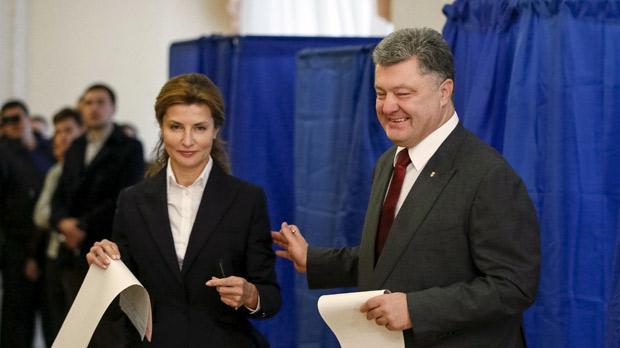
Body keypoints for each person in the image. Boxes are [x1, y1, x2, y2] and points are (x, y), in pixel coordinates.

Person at [272, 28, 540, 347]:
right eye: (381, 93)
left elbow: (514, 285)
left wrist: (416, 309)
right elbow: (397, 256)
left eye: (403, 93)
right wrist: (315, 261)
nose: (387, 107)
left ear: (444, 91)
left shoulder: (487, 174)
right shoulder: (389, 162)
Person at [86, 73, 281, 347]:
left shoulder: (247, 199)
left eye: (199, 128)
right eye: (176, 127)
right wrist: (104, 267)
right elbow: (120, 303)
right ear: (161, 127)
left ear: (215, 130)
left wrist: (250, 295)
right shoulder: (133, 200)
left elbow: (270, 296)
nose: (187, 140)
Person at [51, 83, 144, 346]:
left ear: (112, 108)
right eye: (88, 102)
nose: (94, 108)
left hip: (108, 250)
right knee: (78, 330)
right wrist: (62, 222)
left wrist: (81, 224)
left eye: (100, 102)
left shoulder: (129, 147)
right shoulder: (76, 147)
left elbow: (123, 197)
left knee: (108, 330)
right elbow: (60, 195)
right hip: (73, 249)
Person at [0, 99, 54, 347]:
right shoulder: (4, 152)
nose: (12, 124)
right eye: (6, 121)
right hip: (16, 245)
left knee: (53, 315)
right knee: (17, 317)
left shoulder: (45, 148)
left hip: (48, 243)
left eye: (16, 118)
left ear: (27, 119)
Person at [32, 107, 84, 346]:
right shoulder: (56, 170)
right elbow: (41, 215)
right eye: (58, 132)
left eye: (68, 131)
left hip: (84, 257)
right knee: (57, 326)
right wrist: (65, 223)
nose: (62, 137)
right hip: (56, 255)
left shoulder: (89, 168)